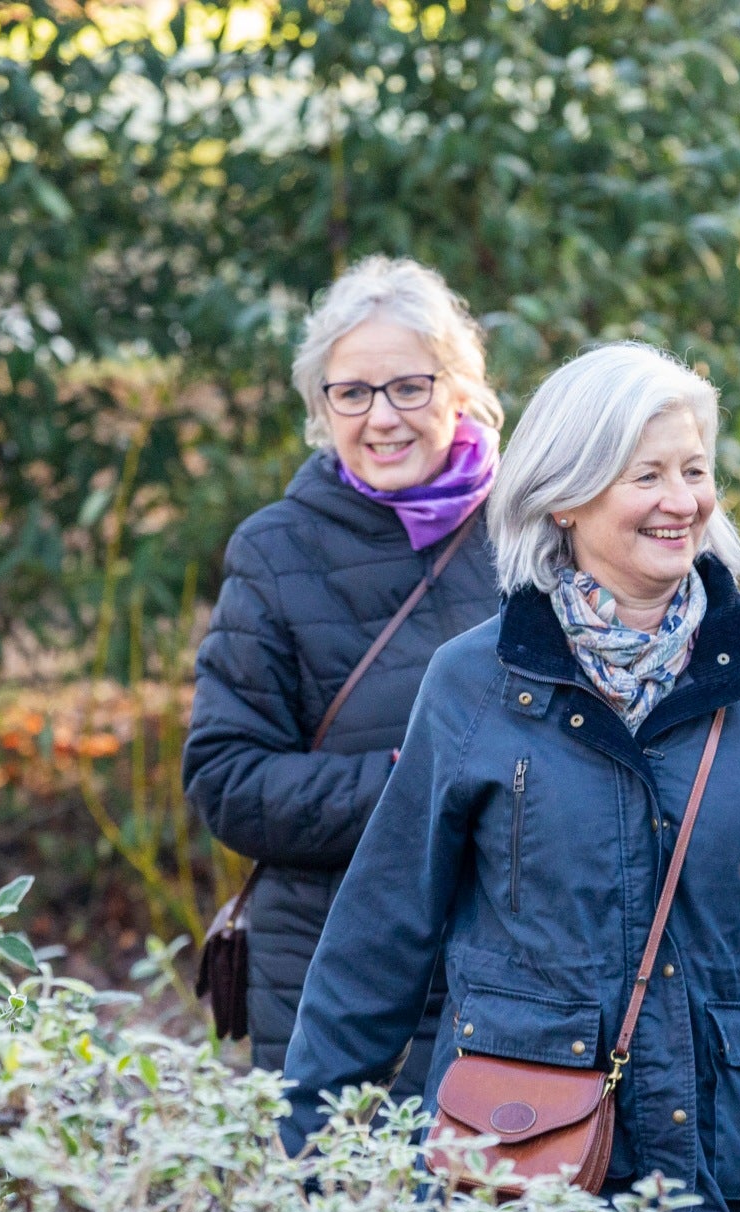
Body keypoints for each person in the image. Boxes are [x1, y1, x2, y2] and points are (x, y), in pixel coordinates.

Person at [279, 342, 740, 1212]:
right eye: (645, 474)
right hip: (520, 1186)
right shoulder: (477, 687)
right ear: (566, 495)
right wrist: (307, 1147)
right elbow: (379, 937)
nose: (681, 500)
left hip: (726, 1191)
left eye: (694, 471)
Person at [183, 256, 505, 1090]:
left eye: (409, 386)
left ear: (458, 387)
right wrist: (412, 787)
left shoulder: (533, 537)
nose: (382, 417)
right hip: (331, 982)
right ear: (321, 407)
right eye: (351, 393)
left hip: (507, 972)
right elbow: (227, 781)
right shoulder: (275, 550)